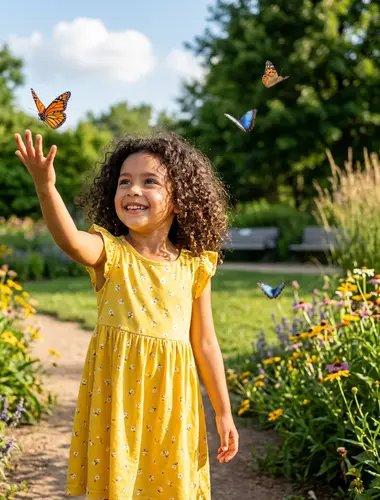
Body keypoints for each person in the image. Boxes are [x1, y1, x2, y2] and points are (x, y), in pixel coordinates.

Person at [14, 129, 239, 500]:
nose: (133, 190)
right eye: (124, 182)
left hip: (173, 400)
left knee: (170, 482)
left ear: (180, 199)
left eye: (149, 181)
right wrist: (45, 187)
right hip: (119, 395)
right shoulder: (110, 252)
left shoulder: (196, 265)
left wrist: (224, 412)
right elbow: (70, 240)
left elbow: (205, 342)